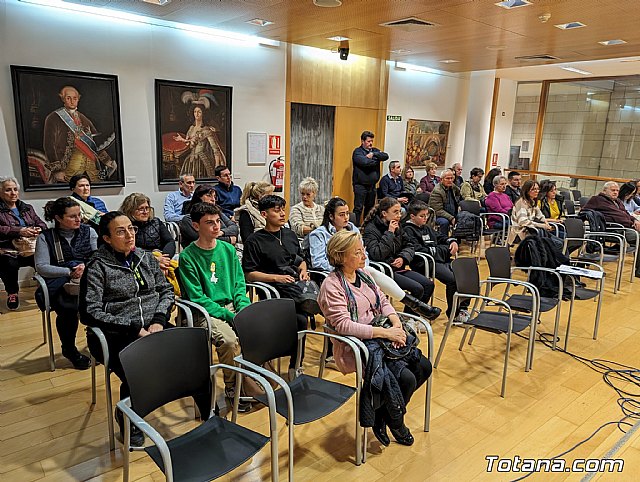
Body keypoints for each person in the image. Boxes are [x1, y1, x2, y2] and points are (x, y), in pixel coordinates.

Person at [318, 229, 432, 447]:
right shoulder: (331, 286)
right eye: (358, 252)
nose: (364, 255)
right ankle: (396, 421)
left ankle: (384, 415)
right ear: (341, 257)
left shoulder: (365, 275)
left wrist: (397, 326)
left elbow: (383, 301)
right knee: (406, 378)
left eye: (363, 250)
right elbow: (343, 325)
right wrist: (386, 333)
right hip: (356, 345)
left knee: (424, 367)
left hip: (382, 334)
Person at [80, 211, 174, 447]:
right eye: (120, 231)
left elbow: (165, 291)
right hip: (113, 333)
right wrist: (134, 328)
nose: (129, 235)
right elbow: (90, 311)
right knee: (140, 368)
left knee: (189, 350)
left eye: (131, 229)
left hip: (154, 326)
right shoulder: (97, 266)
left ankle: (205, 406)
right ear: (107, 238)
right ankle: (127, 417)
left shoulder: (145, 257)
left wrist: (160, 320)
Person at [309, 197, 440, 319]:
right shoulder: (319, 234)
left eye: (347, 214)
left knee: (368, 272)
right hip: (334, 273)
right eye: (341, 215)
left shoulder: (353, 229)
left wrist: (403, 257)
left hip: (357, 271)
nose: (346, 218)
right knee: (370, 272)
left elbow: (364, 255)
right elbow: (319, 262)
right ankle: (412, 304)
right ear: (331, 216)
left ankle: (403, 310)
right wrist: (346, 266)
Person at [178, 203, 250, 407]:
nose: (216, 226)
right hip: (206, 312)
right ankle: (233, 388)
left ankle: (251, 380)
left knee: (256, 329)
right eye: (209, 223)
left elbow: (239, 283)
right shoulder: (188, 257)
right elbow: (197, 298)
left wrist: (243, 309)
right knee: (228, 341)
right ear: (195, 226)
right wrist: (229, 316)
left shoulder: (227, 249)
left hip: (233, 306)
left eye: (218, 221)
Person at [242, 195, 311, 379]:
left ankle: (295, 365)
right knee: (302, 318)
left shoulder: (288, 234)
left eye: (283, 209)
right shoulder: (255, 241)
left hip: (295, 284)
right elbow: (249, 273)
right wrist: (276, 278)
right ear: (264, 214)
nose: (282, 214)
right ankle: (316, 305)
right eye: (276, 210)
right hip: (274, 291)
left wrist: (303, 270)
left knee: (302, 319)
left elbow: (301, 259)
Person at [35, 197, 97, 369]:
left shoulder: (89, 232)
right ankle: (69, 349)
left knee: (100, 303)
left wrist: (85, 266)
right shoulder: (45, 237)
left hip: (88, 278)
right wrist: (68, 271)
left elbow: (98, 256)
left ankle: (97, 344)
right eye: (72, 216)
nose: (79, 219)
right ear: (58, 218)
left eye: (79, 215)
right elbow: (41, 267)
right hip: (60, 282)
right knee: (68, 309)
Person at [362, 197, 440, 320]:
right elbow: (376, 254)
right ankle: (408, 318)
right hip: (384, 270)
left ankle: (412, 318)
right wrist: (390, 233)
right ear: (384, 213)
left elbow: (409, 245)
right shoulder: (371, 229)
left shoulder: (397, 226)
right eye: (396, 212)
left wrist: (403, 258)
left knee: (428, 284)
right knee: (417, 288)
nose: (399, 215)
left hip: (399, 267)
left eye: (400, 212)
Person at [403, 200, 470, 324]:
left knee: (465, 275)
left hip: (438, 259)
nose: (425, 218)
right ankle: (453, 314)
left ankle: (462, 309)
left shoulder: (426, 227)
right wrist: (444, 250)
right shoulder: (408, 230)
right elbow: (419, 250)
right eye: (422, 216)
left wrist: (452, 241)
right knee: (452, 280)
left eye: (427, 215)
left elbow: (440, 237)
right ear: (412, 216)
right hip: (424, 263)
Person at [43, 86, 117, 183]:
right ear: (63, 99)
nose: (72, 101)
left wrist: (107, 160)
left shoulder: (83, 118)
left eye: (75, 98)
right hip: (70, 165)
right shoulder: (53, 118)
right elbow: (49, 145)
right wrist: (57, 170)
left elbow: (94, 144)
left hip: (90, 164)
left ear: (78, 99)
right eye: (68, 98)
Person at [0, 176, 47, 310]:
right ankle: (12, 293)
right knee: (8, 263)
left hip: (30, 247)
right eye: (8, 190)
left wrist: (39, 229)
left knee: (44, 258)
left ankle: (47, 288)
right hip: (8, 248)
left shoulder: (26, 207)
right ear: (0, 192)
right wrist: (19, 230)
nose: (13, 193)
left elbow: (41, 223)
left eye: (15, 189)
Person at [582, 181, 640, 277]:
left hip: (627, 227)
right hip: (614, 229)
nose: (616, 192)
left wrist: (634, 220)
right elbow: (583, 212)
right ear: (604, 191)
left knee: (637, 240)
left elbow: (626, 213)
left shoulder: (617, 201)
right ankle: (639, 271)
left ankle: (637, 266)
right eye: (613, 190)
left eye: (617, 190)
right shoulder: (597, 199)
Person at [119, 193, 175, 270]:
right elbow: (129, 250)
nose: (145, 212)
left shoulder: (156, 222)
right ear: (130, 210)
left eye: (147, 208)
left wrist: (164, 258)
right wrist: (154, 260)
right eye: (141, 209)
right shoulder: (126, 226)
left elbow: (169, 241)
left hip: (160, 256)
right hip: (138, 261)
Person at [175, 104, 226, 178]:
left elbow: (215, 149)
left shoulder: (206, 130)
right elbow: (188, 143)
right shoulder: (191, 128)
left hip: (202, 159)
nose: (196, 114)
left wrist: (217, 165)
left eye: (199, 112)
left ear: (203, 114)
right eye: (195, 112)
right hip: (191, 160)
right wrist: (182, 140)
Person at [352, 130, 389, 226]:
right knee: (358, 208)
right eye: (368, 141)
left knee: (370, 208)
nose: (371, 143)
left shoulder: (374, 151)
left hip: (372, 186)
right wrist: (376, 160)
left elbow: (385, 156)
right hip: (360, 185)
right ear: (362, 141)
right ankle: (355, 228)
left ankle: (366, 227)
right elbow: (365, 163)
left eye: (372, 141)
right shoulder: (357, 152)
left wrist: (374, 155)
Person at [507, 180, 555, 245]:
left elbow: (540, 215)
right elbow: (523, 222)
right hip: (522, 230)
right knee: (555, 244)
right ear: (527, 191)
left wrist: (546, 223)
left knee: (559, 242)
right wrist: (542, 225)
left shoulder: (532, 201)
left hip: (532, 229)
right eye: (533, 189)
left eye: (538, 189)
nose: (537, 191)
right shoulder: (521, 203)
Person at [428, 169, 460, 235]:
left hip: (452, 213)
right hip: (438, 216)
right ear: (441, 179)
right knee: (444, 222)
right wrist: (451, 218)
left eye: (451, 178)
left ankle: (456, 240)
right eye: (447, 178)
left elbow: (459, 193)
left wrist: (459, 205)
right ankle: (443, 241)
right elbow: (437, 210)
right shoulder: (437, 191)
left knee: (464, 217)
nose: (450, 180)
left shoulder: (452, 187)